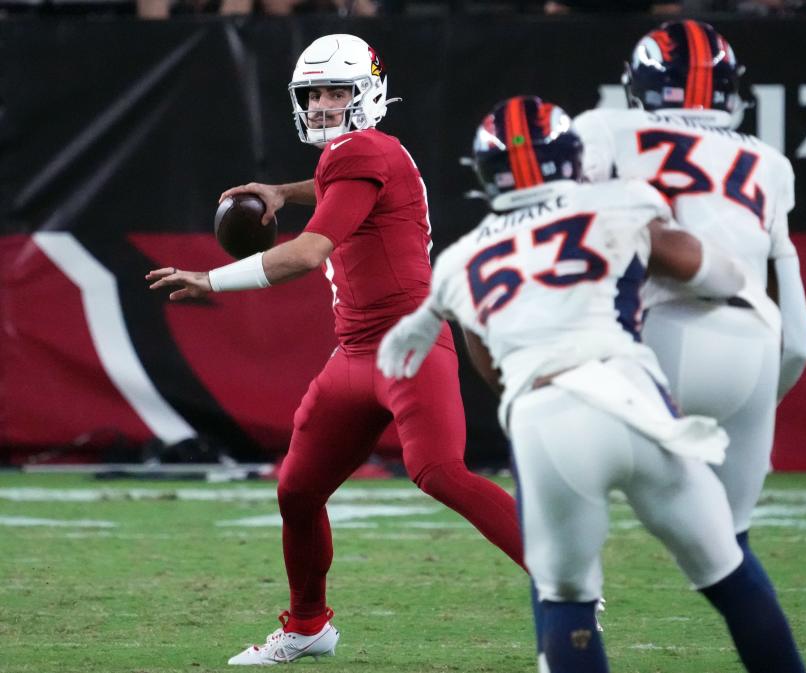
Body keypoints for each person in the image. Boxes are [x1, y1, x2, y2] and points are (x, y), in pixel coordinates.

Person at [377, 95, 806, 673]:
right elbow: (715, 271)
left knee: (568, 599)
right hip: (630, 398)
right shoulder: (618, 201)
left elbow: (496, 374)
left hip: (546, 416)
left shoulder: (460, 260)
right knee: (728, 572)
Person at [146, 33, 524, 665]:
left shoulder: (365, 147)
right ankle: (307, 625)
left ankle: (566, 575)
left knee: (438, 471)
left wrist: (210, 280)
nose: (323, 104)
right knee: (296, 490)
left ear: (368, 92)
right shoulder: (351, 155)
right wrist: (280, 192)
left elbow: (307, 253)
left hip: (408, 344)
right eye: (314, 92)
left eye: (337, 91)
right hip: (353, 354)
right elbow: (333, 182)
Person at [573, 18, 806, 600]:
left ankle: (573, 623)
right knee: (729, 552)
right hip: (754, 348)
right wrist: (761, 404)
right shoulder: (770, 163)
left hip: (658, 333)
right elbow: (799, 338)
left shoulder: (605, 128)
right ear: (729, 87)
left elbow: (566, 232)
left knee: (560, 504)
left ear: (640, 84)